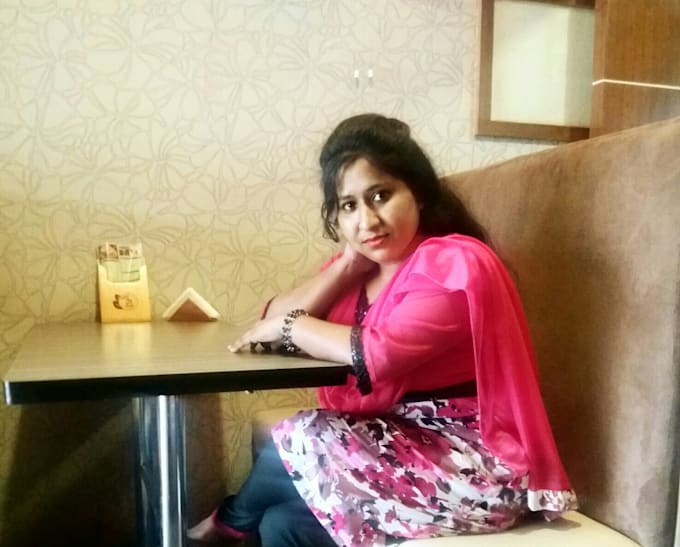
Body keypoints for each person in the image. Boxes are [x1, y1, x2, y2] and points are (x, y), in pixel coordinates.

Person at [188, 113, 577, 547]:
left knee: (303, 435)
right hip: (400, 448)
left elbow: (377, 353)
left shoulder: (454, 265)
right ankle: (235, 525)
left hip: (474, 464)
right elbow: (271, 323)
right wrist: (346, 266)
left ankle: (228, 523)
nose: (367, 220)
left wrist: (292, 326)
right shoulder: (361, 274)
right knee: (282, 523)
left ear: (419, 194)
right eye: (349, 206)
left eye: (381, 196)